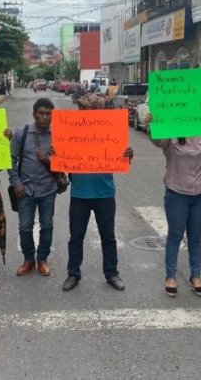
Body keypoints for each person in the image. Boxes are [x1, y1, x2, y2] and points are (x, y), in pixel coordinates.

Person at [146, 113, 201, 297]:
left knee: (195, 238)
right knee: (175, 236)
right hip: (177, 193)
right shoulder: (171, 135)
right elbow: (157, 140)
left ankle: (196, 276)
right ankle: (170, 276)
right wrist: (152, 124)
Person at [59, 93, 133, 292]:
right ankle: (73, 273)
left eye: (86, 108)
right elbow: (61, 156)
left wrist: (128, 155)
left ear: (97, 111)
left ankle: (112, 273)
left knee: (108, 236)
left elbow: (121, 158)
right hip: (79, 194)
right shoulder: (72, 130)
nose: (81, 112)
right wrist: (55, 155)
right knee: (76, 236)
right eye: (80, 108)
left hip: (104, 194)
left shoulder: (110, 130)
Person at [7, 98, 58, 277]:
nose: (45, 117)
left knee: (47, 226)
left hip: (48, 189)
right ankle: (28, 259)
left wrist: (49, 160)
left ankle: (42, 259)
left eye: (48, 114)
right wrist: (16, 183)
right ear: (34, 114)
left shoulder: (58, 135)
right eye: (41, 113)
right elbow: (10, 160)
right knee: (25, 227)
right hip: (25, 190)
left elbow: (64, 163)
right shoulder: (22, 133)